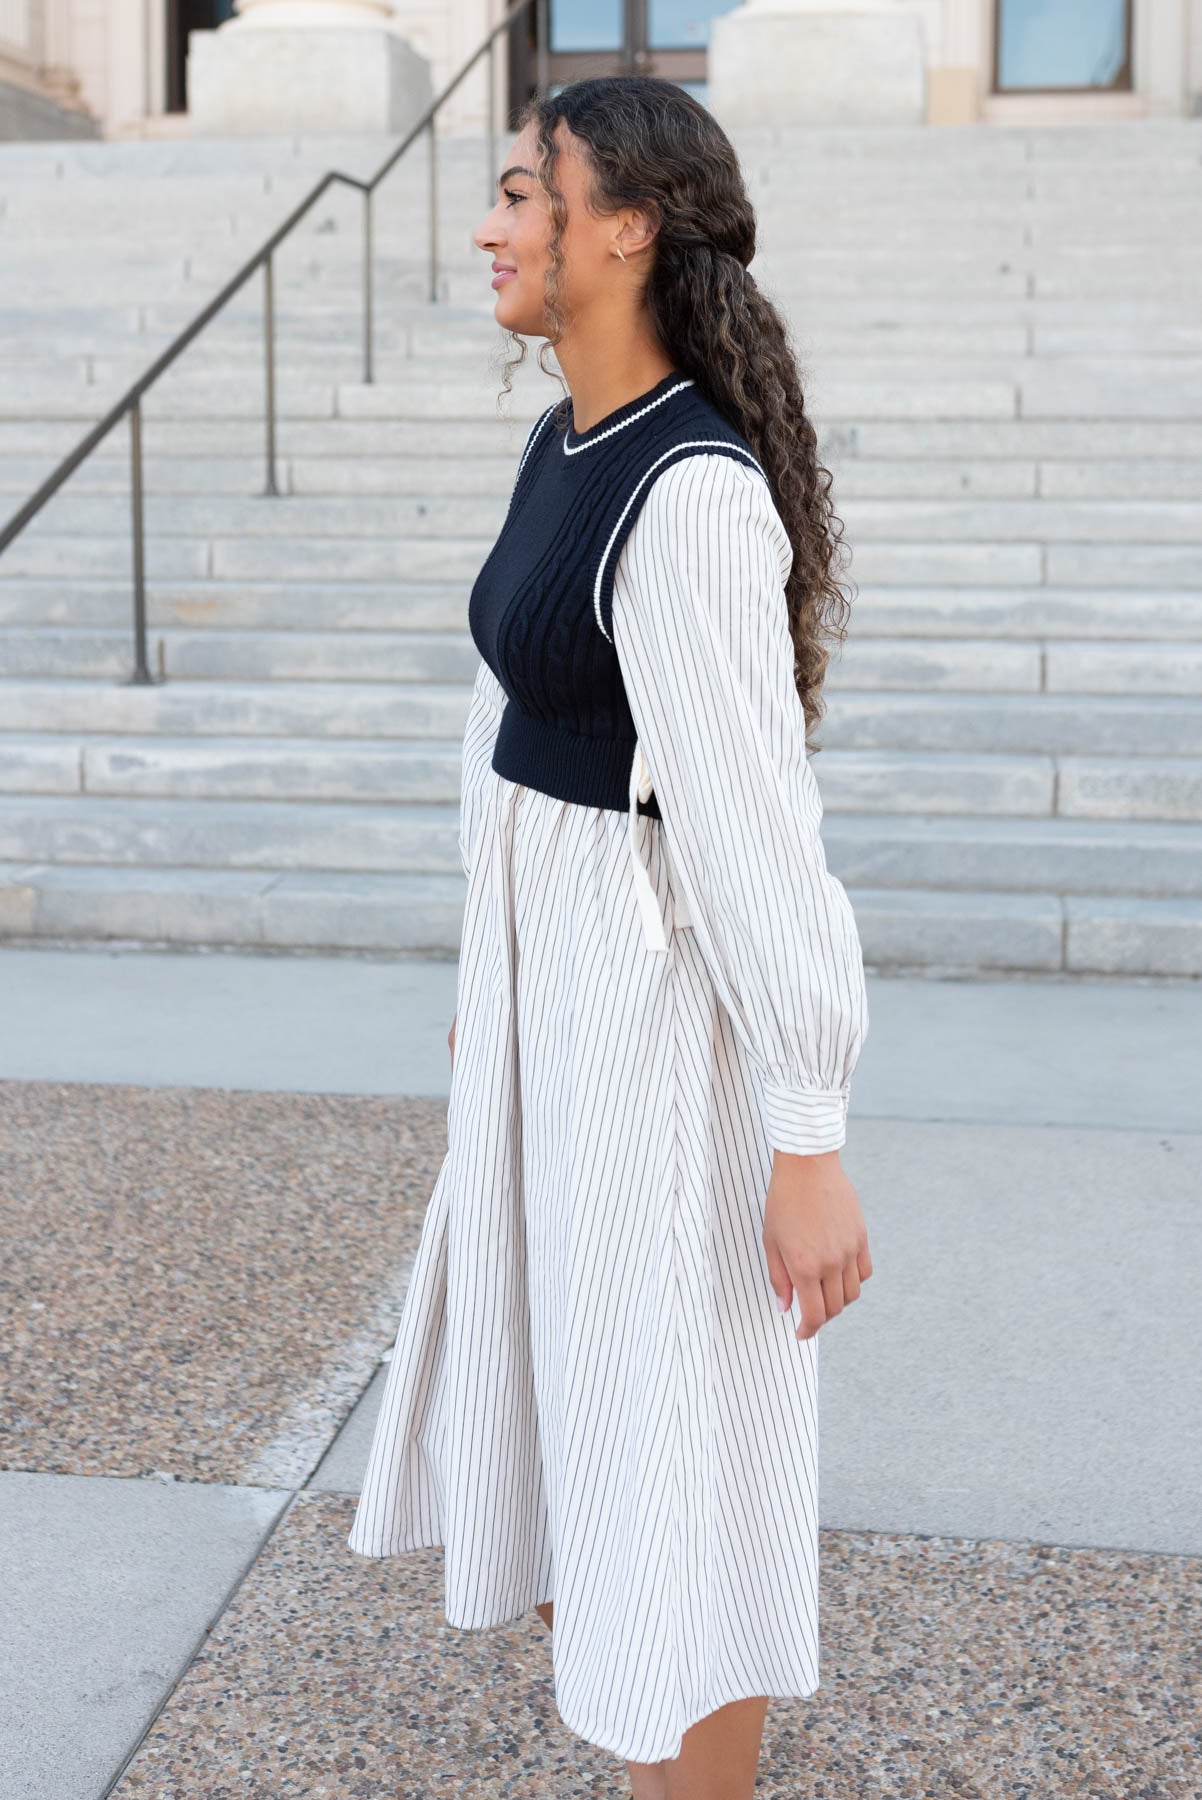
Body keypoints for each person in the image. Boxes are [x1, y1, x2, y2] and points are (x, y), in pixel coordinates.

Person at [348, 74, 873, 1800]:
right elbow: (503, 722)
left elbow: (752, 833)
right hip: (552, 1003)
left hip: (654, 1035)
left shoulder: (691, 494)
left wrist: (807, 1132)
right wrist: (484, 985)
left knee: (673, 1472)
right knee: (581, 1437)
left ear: (624, 225)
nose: (492, 227)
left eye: (521, 192)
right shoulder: (563, 442)